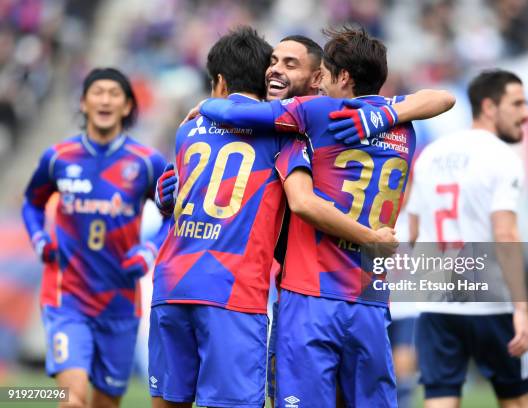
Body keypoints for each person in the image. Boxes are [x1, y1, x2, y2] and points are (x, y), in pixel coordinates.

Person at [196, 25, 455, 407]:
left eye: (327, 76)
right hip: (370, 296)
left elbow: (237, 113)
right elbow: (442, 97)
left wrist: (206, 105)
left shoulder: (317, 112)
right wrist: (385, 116)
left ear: (343, 77)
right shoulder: (403, 124)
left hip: (312, 295)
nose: (321, 85)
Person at [149, 26, 398, 408]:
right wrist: (372, 237)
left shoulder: (188, 130)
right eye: (273, 62)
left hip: (172, 283)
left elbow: (181, 195)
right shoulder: (286, 135)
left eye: (288, 63)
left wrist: (167, 200)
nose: (277, 71)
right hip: (240, 290)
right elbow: (301, 202)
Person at [22, 68, 170, 408]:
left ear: (127, 105)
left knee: (105, 404)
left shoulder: (146, 163)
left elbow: (173, 214)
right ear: (84, 103)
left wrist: (149, 251)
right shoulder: (58, 158)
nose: (105, 99)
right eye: (97, 92)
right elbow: (32, 202)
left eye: (114, 93)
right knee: (73, 400)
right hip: (66, 297)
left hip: (119, 303)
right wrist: (39, 239)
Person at [407, 69, 528, 408]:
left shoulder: (431, 155)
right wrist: (521, 309)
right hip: (491, 302)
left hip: (437, 303)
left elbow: (414, 233)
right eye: (518, 103)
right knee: (516, 399)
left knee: (439, 398)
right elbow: (505, 233)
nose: (527, 113)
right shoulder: (502, 157)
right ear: (490, 107)